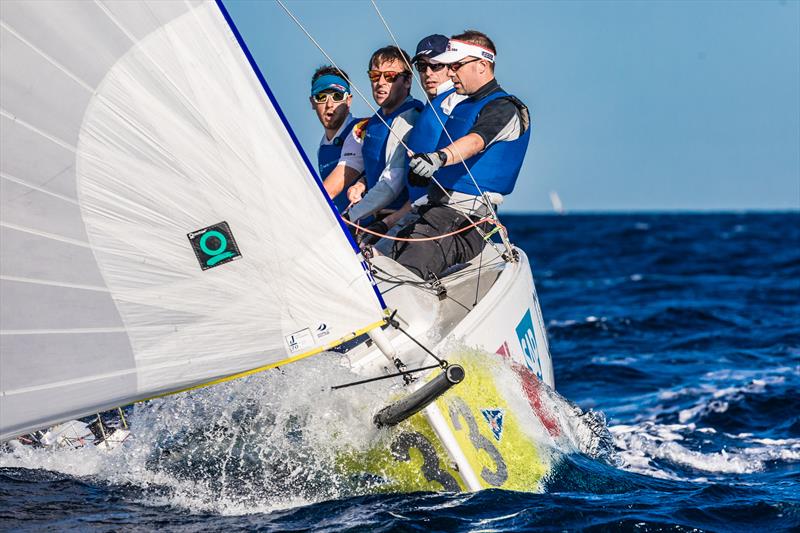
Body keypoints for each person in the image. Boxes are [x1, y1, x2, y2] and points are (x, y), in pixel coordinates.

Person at [392, 30, 532, 280]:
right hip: (430, 211)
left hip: (462, 221)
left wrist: (439, 158)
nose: (451, 71)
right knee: (367, 262)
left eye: (456, 65)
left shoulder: (504, 107)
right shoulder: (460, 104)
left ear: (482, 65)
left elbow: (476, 141)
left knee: (402, 276)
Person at [345, 46, 423, 225]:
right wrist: (362, 184)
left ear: (407, 81)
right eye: (374, 75)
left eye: (390, 76)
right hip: (373, 217)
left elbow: (393, 182)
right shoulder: (375, 120)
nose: (380, 82)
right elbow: (379, 166)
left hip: (400, 221)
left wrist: (349, 217)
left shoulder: (409, 118)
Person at [309, 66, 367, 213]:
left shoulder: (360, 130)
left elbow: (328, 192)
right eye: (321, 97)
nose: (329, 104)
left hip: (372, 226)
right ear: (312, 102)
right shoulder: (322, 147)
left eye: (336, 96)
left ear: (348, 100)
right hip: (345, 227)